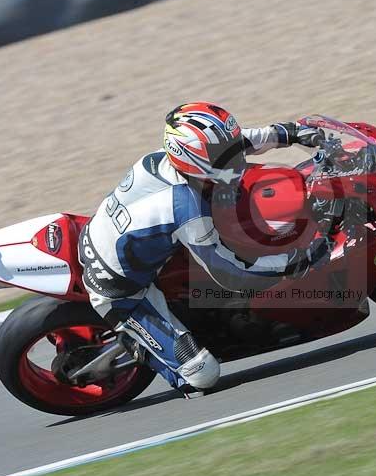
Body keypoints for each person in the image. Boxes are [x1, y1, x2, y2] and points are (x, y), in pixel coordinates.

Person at [79, 102, 326, 394]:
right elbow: (231, 274)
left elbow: (239, 142)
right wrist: (294, 261)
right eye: (221, 153)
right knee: (203, 375)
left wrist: (291, 132)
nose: (234, 157)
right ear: (192, 158)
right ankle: (141, 346)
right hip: (122, 291)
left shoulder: (164, 159)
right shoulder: (187, 209)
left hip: (113, 240)